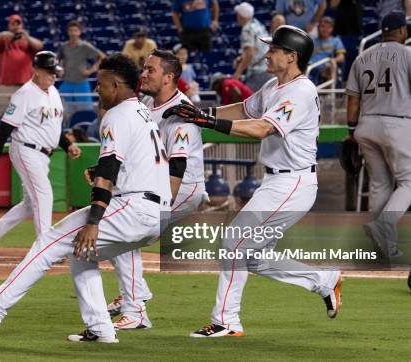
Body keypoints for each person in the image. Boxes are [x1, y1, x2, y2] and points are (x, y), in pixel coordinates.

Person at [0, 53, 171, 343]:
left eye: (101, 83)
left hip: (134, 207)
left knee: (49, 240)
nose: (96, 90)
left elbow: (107, 173)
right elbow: (127, 164)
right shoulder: (141, 111)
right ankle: (100, 328)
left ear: (116, 85)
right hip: (157, 212)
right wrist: (103, 172)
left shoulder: (116, 115)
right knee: (81, 253)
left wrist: (94, 221)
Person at [165, 25, 341, 337]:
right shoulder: (275, 85)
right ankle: (323, 279)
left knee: (234, 243)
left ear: (291, 56)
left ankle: (226, 321)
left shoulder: (301, 91)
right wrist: (199, 112)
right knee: (253, 256)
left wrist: (208, 122)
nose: (267, 53)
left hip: (294, 184)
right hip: (277, 182)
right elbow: (243, 110)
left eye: (274, 49)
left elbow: (260, 128)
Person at [105, 50, 205, 330]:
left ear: (169, 77)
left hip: (181, 187)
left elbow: (177, 167)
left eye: (150, 69)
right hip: (158, 183)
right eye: (144, 68)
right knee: (121, 230)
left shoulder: (180, 112)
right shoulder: (147, 103)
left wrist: (154, 208)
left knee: (125, 229)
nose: (143, 73)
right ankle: (135, 296)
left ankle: (135, 307)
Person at [0, 51, 81, 261]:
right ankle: (45, 248)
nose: (53, 75)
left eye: (55, 71)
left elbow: (53, 128)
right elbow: (5, 127)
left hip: (44, 154)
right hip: (26, 149)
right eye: (49, 71)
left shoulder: (53, 92)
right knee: (44, 196)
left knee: (30, 204)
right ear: (36, 70)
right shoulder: (24, 94)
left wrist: (68, 145)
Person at [346, 11, 411, 260]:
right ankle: (384, 225)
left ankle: (385, 246)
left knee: (380, 184)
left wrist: (351, 132)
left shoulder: (363, 56)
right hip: (397, 124)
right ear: (402, 31)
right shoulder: (407, 54)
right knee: (408, 182)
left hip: (367, 125)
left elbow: (352, 99)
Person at [0, 14, 43, 117]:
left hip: (25, 83)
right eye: (13, 24)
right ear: (9, 25)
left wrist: (27, 37)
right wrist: (2, 34)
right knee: (5, 115)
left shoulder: (27, 40)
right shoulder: (4, 40)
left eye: (18, 24)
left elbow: (39, 46)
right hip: (5, 84)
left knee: (27, 114)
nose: (16, 26)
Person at [58, 21, 105, 107]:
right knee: (61, 109)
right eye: (71, 30)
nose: (73, 33)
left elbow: (102, 57)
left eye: (75, 30)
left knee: (86, 111)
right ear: (68, 32)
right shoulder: (63, 46)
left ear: (80, 32)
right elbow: (58, 60)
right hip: (66, 83)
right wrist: (61, 69)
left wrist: (91, 70)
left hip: (81, 83)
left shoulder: (85, 46)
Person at [231, 2, 273, 91]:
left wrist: (237, 73)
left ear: (241, 16)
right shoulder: (258, 24)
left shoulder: (246, 29)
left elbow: (250, 54)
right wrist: (242, 58)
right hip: (269, 68)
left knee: (249, 102)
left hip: (258, 73)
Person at [309, 16, 345, 83]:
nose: (325, 29)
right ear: (318, 27)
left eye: (328, 27)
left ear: (332, 29)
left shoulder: (336, 41)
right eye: (323, 26)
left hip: (326, 67)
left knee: (332, 65)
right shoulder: (312, 41)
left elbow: (341, 57)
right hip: (311, 67)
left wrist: (333, 60)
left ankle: (331, 92)